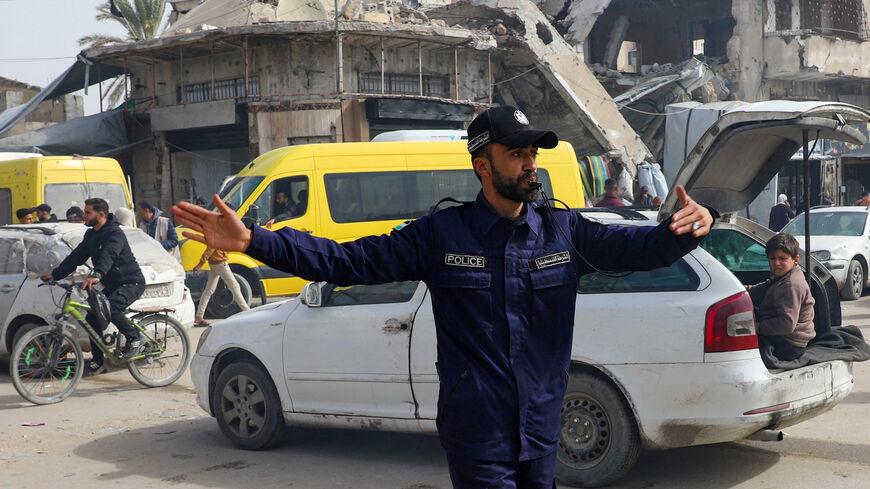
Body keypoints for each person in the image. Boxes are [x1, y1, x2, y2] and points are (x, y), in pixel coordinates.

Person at [173, 105, 715, 489]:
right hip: (477, 430)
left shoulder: (564, 232)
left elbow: (642, 246)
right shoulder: (441, 236)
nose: (531, 164)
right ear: (483, 165)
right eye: (517, 154)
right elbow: (346, 260)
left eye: (533, 154)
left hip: (543, 425)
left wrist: (689, 227)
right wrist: (253, 240)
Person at [40, 198, 147, 374]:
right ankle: (98, 361)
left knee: (110, 308)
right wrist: (55, 274)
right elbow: (76, 257)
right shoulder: (91, 235)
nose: (84, 216)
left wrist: (97, 275)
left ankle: (135, 338)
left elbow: (109, 255)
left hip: (131, 282)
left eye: (88, 212)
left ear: (101, 214)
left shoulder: (114, 233)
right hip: (112, 283)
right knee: (92, 318)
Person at [747, 233, 815, 361]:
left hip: (790, 344)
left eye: (782, 258)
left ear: (795, 260)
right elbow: (757, 290)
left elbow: (786, 324)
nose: (776, 263)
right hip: (784, 337)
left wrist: (756, 327)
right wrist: (737, 290)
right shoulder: (781, 277)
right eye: (772, 258)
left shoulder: (791, 284)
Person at [192, 245, 250, 326]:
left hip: (215, 262)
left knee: (209, 290)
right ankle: (247, 311)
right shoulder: (217, 232)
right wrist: (200, 264)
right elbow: (210, 248)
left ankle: (199, 316)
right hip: (219, 262)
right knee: (234, 286)